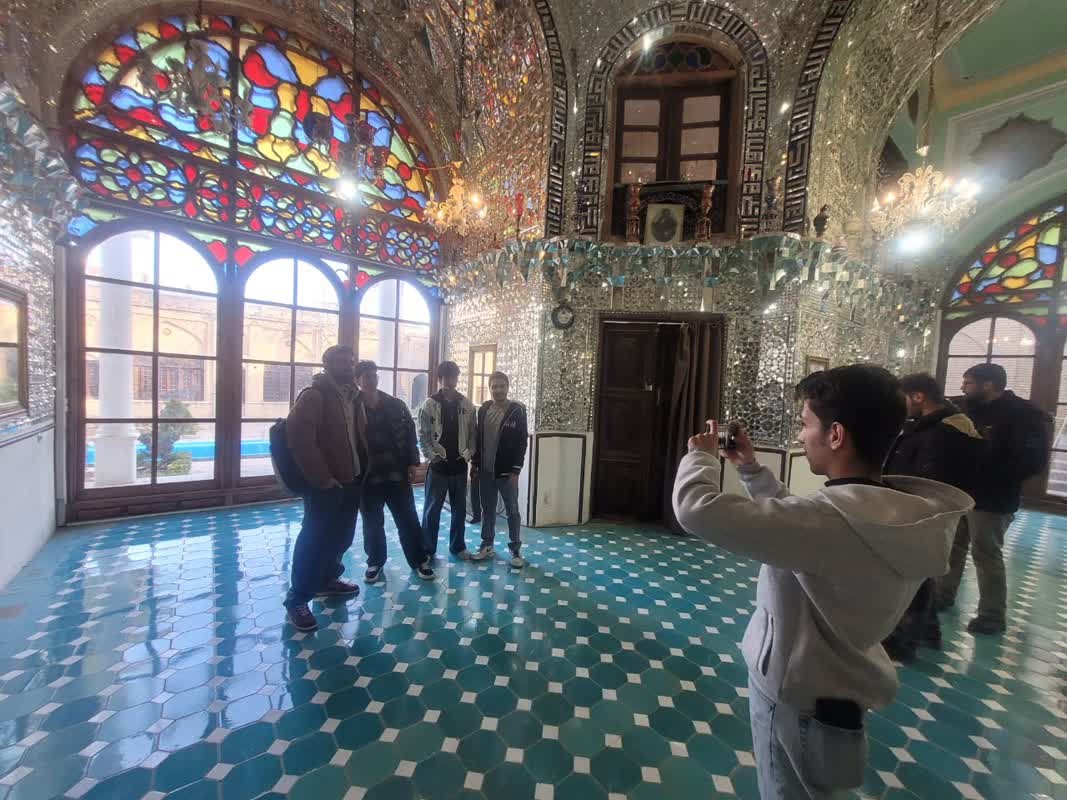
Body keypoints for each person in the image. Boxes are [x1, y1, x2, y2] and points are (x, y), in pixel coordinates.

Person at [673, 365, 972, 799]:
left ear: (836, 435)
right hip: (840, 684)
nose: (800, 437)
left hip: (796, 693)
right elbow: (806, 527)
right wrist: (751, 469)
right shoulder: (895, 514)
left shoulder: (830, 522)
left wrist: (699, 455)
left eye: (805, 424)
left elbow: (695, 508)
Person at [940, 362, 1051, 635]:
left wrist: (991, 477)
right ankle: (942, 595)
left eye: (968, 383)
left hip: (993, 497)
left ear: (988, 385)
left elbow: (1032, 461)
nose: (962, 388)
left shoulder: (1024, 415)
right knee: (953, 546)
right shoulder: (967, 409)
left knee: (986, 553)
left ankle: (992, 615)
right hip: (961, 492)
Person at [882, 373, 986, 661]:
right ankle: (927, 631)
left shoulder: (943, 433)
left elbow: (929, 479)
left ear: (918, 396)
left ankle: (904, 640)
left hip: (921, 512)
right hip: (920, 511)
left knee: (911, 576)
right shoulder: (934, 426)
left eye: (903, 398)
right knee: (919, 576)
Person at [283, 345, 365, 632]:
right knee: (314, 540)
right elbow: (298, 438)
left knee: (341, 537)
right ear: (326, 364)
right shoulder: (314, 396)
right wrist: (322, 478)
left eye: (350, 362)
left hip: (351, 481)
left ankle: (327, 580)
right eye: (341, 362)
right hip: (325, 485)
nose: (348, 366)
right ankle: (297, 599)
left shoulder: (352, 396)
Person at [354, 361, 435, 583]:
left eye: (374, 375)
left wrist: (413, 463)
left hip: (396, 475)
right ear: (357, 380)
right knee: (372, 523)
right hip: (367, 478)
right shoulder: (351, 408)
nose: (371, 380)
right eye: (366, 376)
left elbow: (410, 434)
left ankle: (419, 560)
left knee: (408, 520)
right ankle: (375, 562)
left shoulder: (395, 405)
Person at [418, 361, 477, 560]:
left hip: (459, 465)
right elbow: (423, 435)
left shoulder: (467, 404)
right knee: (432, 510)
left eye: (454, 377)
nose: (450, 381)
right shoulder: (429, 404)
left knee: (459, 510)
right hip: (438, 467)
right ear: (440, 379)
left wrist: (468, 455)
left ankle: (458, 546)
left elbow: (473, 434)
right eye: (446, 377)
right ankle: (427, 549)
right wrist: (432, 457)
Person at [471, 372, 528, 567]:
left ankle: (515, 550)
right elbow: (478, 438)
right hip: (486, 471)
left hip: (507, 473)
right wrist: (475, 463)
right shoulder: (484, 409)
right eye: (494, 386)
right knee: (487, 509)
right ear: (490, 388)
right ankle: (487, 545)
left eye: (502, 386)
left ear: (507, 387)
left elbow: (522, 442)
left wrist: (516, 470)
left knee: (512, 511)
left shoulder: (517, 410)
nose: (498, 390)